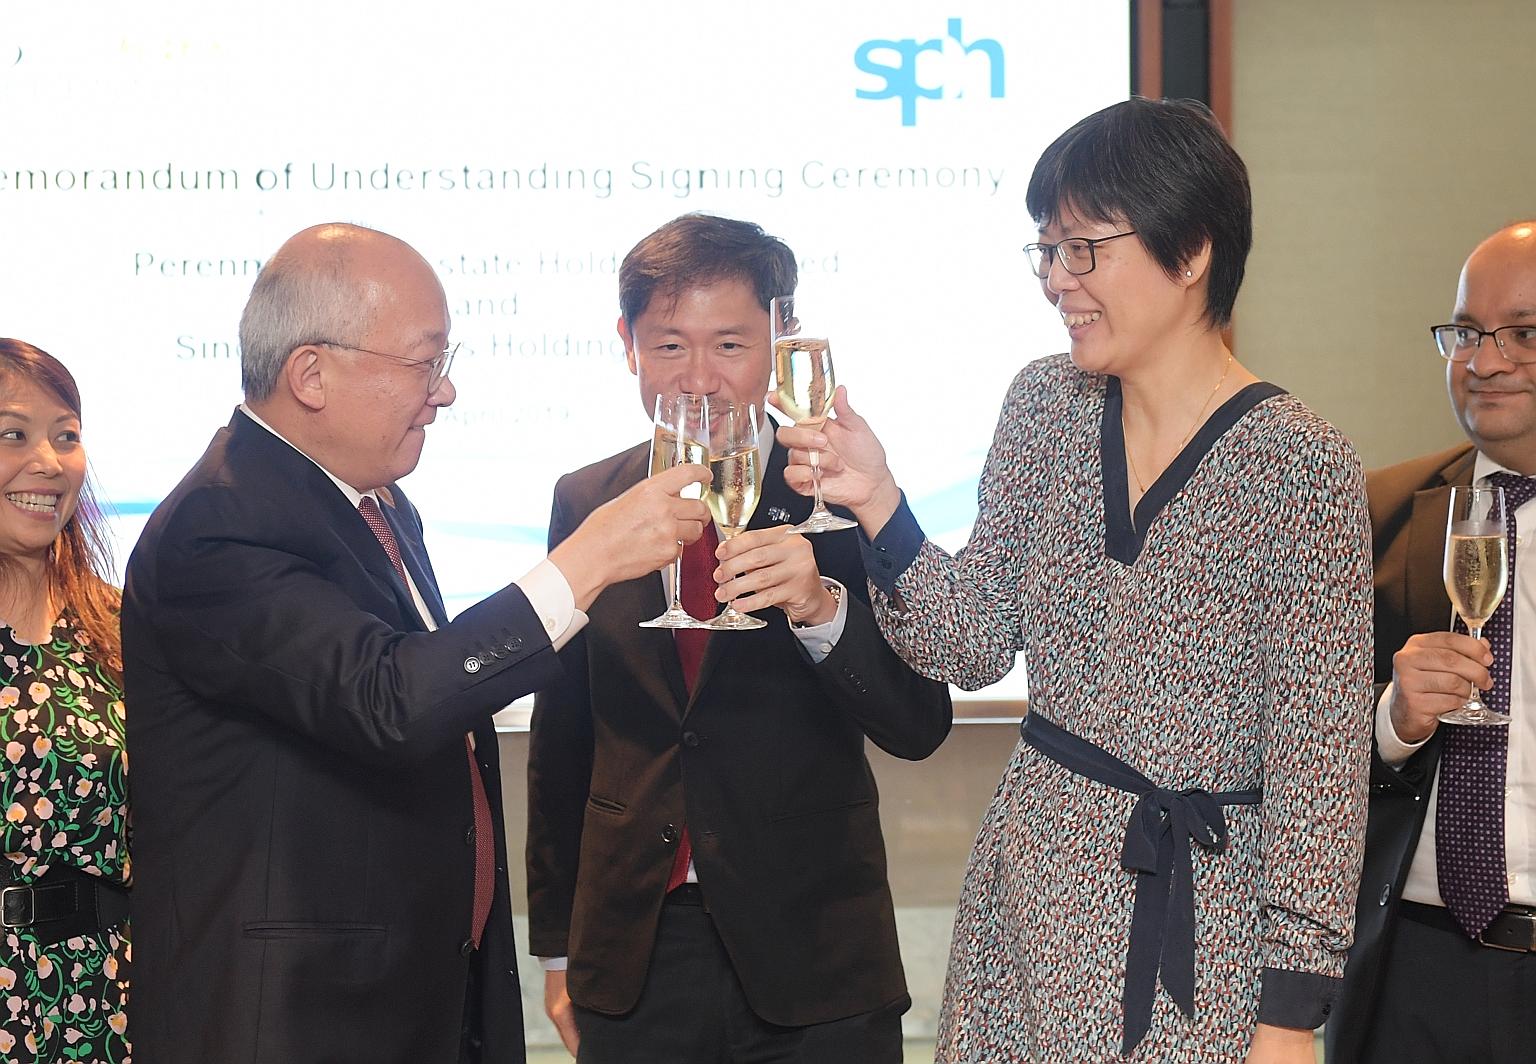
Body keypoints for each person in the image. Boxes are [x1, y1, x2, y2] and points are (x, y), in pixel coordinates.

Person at [777, 98, 1375, 1062]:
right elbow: (969, 644)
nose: (1057, 281)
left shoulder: (1301, 466)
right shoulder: (1044, 404)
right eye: (1046, 251)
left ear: (1192, 255)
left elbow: (1321, 765)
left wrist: (1291, 1014)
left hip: (1198, 929)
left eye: (1083, 248)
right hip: (1030, 895)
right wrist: (881, 503)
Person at [120, 223, 709, 1064]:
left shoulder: (376, 505)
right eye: (423, 362)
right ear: (312, 374)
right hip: (291, 1022)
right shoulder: (219, 525)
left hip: (414, 1003)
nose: (446, 392)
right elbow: (391, 701)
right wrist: (590, 560)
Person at [525, 213, 952, 1064]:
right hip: (636, 953)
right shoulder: (588, 500)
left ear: (780, 341)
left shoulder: (839, 495)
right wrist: (559, 950)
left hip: (816, 954)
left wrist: (822, 609)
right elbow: (562, 731)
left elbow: (919, 723)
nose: (700, 380)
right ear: (628, 344)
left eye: (730, 346)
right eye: (669, 346)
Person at [1327, 222, 1536, 1064]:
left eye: (1523, 333)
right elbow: (1290, 751)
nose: (1484, 363)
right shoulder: (1378, 512)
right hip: (1414, 967)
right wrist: (1393, 720)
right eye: (1465, 333)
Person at [0, 339, 130, 1063]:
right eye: (13, 433)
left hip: (109, 1003)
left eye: (66, 435)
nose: (47, 461)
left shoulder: (119, 626)